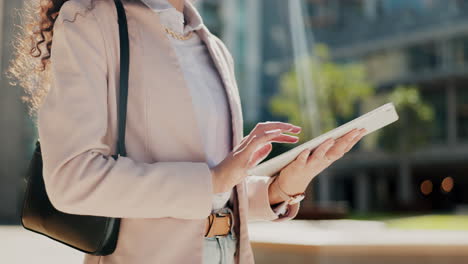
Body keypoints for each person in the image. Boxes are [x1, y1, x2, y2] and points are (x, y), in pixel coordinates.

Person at [8, 0, 366, 263]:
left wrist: (281, 187)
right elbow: (73, 180)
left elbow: (216, 188)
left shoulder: (213, 46)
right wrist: (213, 180)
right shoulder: (91, 21)